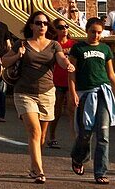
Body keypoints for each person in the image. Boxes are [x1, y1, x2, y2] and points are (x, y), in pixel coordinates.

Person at [1, 11, 74, 184]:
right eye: (38, 23)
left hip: (47, 92)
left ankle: (34, 167)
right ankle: (40, 171)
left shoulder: (54, 45)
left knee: (41, 137)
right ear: (31, 25)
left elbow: (61, 59)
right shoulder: (22, 43)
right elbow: (4, 61)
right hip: (24, 92)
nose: (42, 26)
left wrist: (67, 64)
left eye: (45, 23)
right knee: (34, 131)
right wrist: (18, 55)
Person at [69, 17, 115, 184]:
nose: (96, 35)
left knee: (103, 134)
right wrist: (73, 92)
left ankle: (100, 171)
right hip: (86, 94)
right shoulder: (78, 48)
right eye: (93, 32)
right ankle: (78, 157)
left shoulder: (105, 49)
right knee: (85, 132)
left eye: (99, 32)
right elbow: (71, 72)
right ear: (87, 31)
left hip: (103, 93)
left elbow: (111, 74)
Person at [46, 18, 76, 149]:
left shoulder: (74, 44)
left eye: (66, 26)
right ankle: (51, 136)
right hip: (56, 81)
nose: (64, 29)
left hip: (70, 81)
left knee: (72, 110)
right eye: (61, 27)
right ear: (56, 30)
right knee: (56, 111)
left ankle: (76, 139)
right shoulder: (53, 44)